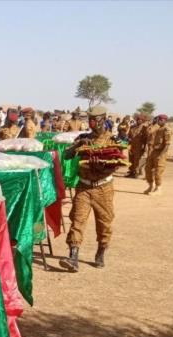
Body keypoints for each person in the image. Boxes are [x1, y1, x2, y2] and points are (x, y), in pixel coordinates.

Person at [59, 106, 119, 272]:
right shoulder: (84, 137)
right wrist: (78, 145)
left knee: (104, 223)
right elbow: (67, 155)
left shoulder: (112, 140)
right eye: (90, 120)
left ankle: (101, 251)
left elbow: (118, 163)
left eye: (94, 120)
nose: (91, 123)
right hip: (84, 186)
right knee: (77, 221)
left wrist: (102, 164)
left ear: (102, 120)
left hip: (103, 188)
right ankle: (73, 256)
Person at [144, 115, 173, 195]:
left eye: (161, 120)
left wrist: (161, 155)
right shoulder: (157, 128)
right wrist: (154, 125)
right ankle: (151, 186)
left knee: (158, 171)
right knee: (148, 168)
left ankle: (158, 189)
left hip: (161, 152)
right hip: (154, 151)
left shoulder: (167, 129)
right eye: (158, 120)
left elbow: (167, 145)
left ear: (164, 121)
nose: (159, 121)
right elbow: (149, 132)